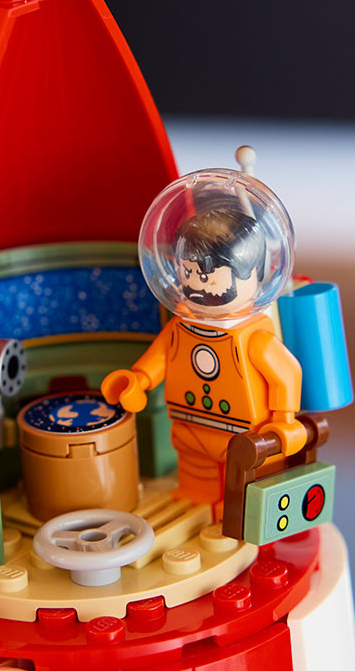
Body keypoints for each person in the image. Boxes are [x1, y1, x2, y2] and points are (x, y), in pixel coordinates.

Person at [101, 169, 307, 515]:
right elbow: (161, 357)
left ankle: (238, 509)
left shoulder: (255, 339)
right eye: (189, 273)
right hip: (190, 426)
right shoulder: (181, 326)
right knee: (195, 469)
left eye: (211, 278)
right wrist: (138, 380)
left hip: (245, 434)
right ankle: (197, 496)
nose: (198, 285)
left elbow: (286, 374)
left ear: (255, 275)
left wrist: (285, 418)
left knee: (245, 482)